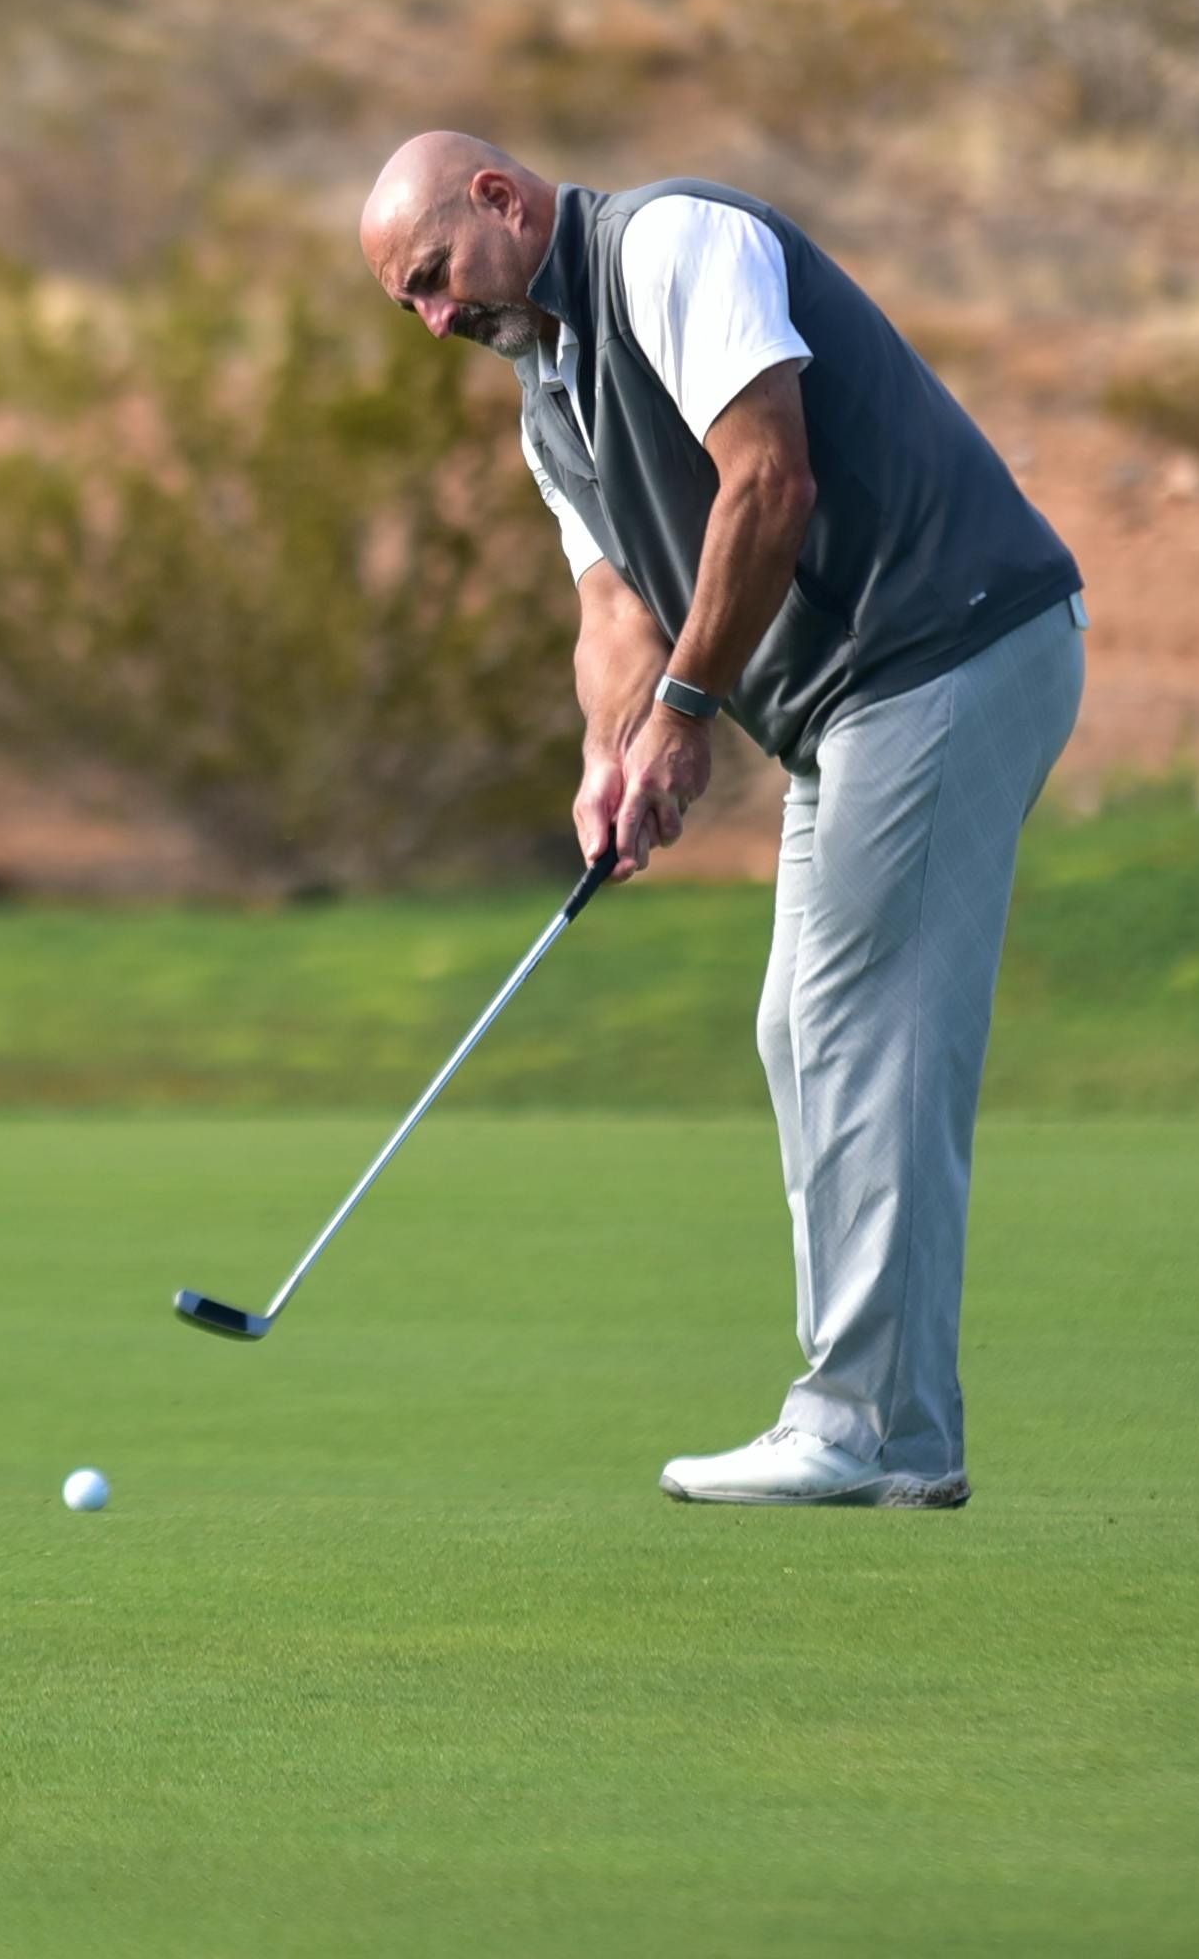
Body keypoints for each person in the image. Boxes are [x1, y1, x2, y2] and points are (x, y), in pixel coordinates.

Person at [355, 131, 1087, 1507]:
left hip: (954, 643)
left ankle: (859, 1425)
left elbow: (771, 481)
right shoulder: (548, 402)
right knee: (799, 1026)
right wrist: (610, 751)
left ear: (502, 200)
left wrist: (688, 713)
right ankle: (898, 1430)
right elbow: (615, 608)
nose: (436, 317)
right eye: (411, 305)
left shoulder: (674, 248)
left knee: (863, 1025)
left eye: (439, 275)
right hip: (851, 705)